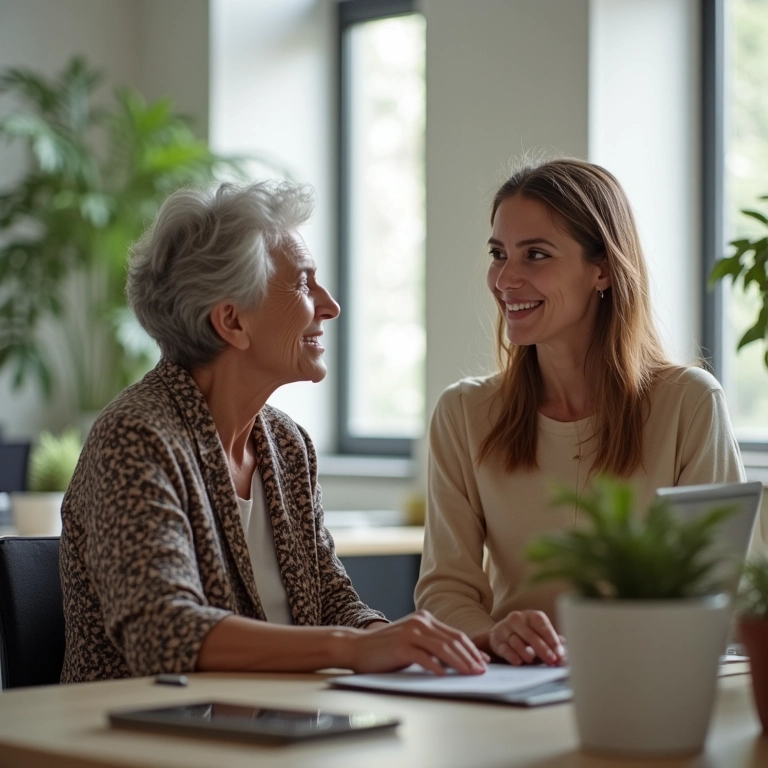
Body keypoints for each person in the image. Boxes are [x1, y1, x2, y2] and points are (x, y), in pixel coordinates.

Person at [59, 180, 487, 683]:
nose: (330, 306)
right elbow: (164, 631)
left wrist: (415, 642)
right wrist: (354, 648)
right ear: (232, 322)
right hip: (141, 741)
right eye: (304, 284)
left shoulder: (287, 444)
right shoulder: (135, 438)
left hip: (277, 727)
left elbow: (331, 599)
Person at [414, 158, 745, 668]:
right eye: (499, 254)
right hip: (511, 686)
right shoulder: (463, 412)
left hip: (647, 682)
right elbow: (445, 591)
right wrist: (492, 633)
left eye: (536, 255)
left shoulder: (689, 403)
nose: (505, 278)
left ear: (604, 268)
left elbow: (716, 587)